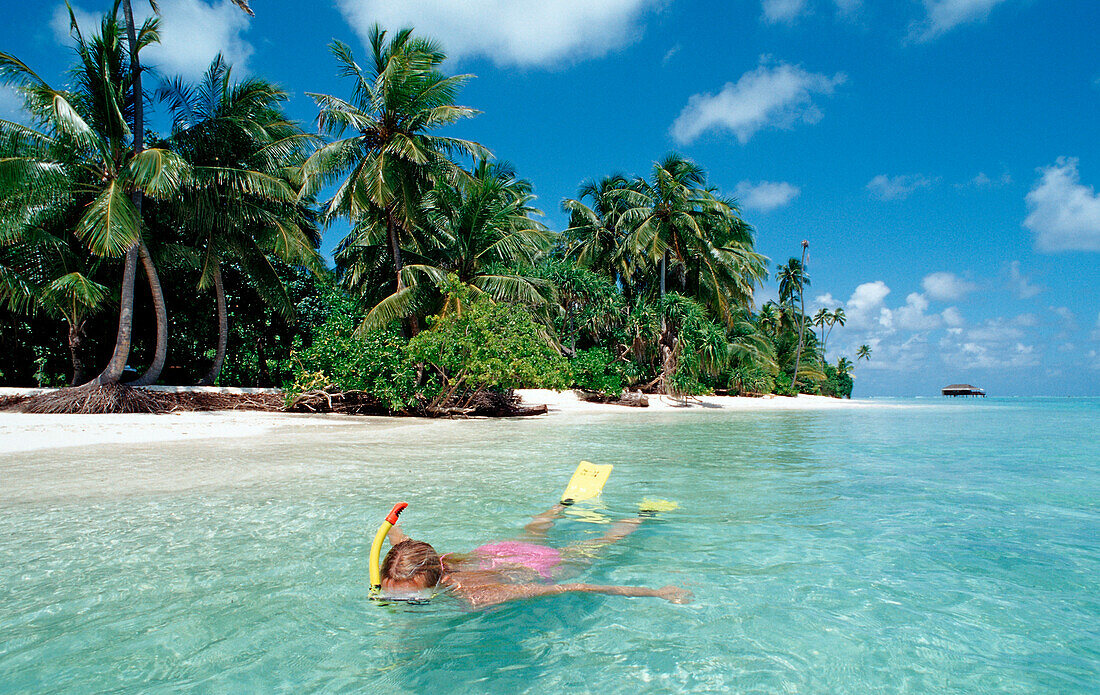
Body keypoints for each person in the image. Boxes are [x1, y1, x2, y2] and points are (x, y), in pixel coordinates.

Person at [379, 503, 693, 607]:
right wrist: (392, 523)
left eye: (412, 601)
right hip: (496, 553)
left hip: (536, 565)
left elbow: (574, 587)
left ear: (436, 584)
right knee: (532, 533)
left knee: (600, 543)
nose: (401, 607)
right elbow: (401, 542)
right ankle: (562, 505)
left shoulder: (479, 596)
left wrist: (656, 592)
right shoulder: (420, 559)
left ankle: (643, 515)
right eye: (392, 598)